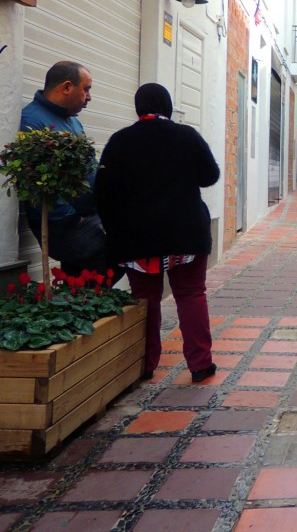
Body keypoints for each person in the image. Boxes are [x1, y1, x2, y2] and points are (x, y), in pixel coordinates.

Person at [94, 84, 220, 382]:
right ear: (168, 107)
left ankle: (146, 365)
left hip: (137, 240)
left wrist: (115, 230)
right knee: (191, 295)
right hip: (185, 235)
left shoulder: (119, 142)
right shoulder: (186, 136)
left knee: (145, 299)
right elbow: (210, 175)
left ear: (138, 109)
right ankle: (200, 364)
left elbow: (102, 192)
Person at [19, 60, 106, 276]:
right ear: (66, 87)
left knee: (80, 276)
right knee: (117, 252)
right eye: (86, 89)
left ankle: (80, 300)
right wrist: (71, 218)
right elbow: (36, 182)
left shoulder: (73, 121)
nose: (89, 97)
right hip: (64, 223)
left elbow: (88, 167)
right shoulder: (33, 121)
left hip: (87, 216)